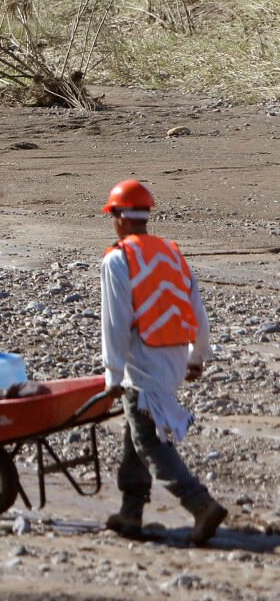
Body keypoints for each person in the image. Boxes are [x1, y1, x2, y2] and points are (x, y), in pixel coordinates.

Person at [97, 179, 229, 545]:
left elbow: (115, 322)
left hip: (144, 363)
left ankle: (200, 504)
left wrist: (112, 375)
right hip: (173, 356)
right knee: (136, 430)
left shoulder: (119, 258)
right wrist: (196, 355)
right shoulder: (171, 253)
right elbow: (196, 309)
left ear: (119, 217)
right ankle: (131, 513)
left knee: (149, 442)